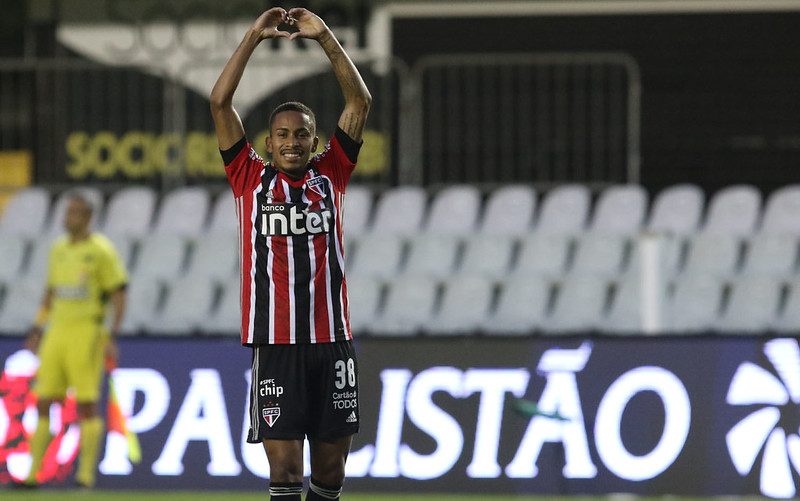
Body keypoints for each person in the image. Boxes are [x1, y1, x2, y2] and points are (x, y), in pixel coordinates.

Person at [210, 7, 371, 501]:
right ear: (268, 144)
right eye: (282, 135)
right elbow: (220, 103)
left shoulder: (333, 173)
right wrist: (254, 38)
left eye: (301, 134)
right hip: (275, 345)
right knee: (284, 470)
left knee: (331, 471)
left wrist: (324, 37)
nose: (292, 142)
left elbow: (359, 100)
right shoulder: (249, 179)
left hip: (332, 342)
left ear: (315, 141)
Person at [20, 193, 128, 489]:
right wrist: (36, 328)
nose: (67, 218)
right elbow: (51, 292)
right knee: (43, 401)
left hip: (87, 333)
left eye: (74, 213)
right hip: (57, 333)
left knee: (86, 405)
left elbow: (118, 295)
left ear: (88, 217)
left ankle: (84, 478)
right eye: (67, 212)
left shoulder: (101, 251)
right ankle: (32, 477)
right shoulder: (58, 249)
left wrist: (111, 335)